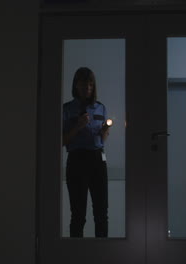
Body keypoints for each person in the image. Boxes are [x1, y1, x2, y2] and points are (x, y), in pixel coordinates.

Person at [63, 67, 110, 238]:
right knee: (78, 215)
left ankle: (102, 255)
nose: (88, 88)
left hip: (98, 159)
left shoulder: (101, 108)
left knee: (101, 214)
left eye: (91, 84)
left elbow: (102, 138)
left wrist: (105, 131)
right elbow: (62, 141)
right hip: (77, 160)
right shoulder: (67, 109)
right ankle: (76, 256)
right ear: (76, 85)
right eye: (84, 84)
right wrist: (78, 126)